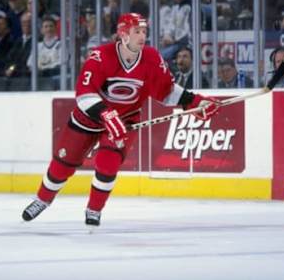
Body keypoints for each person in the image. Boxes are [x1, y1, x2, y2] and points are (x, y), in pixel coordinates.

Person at [21, 13, 221, 227]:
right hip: (89, 117)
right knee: (63, 165)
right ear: (123, 34)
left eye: (144, 31)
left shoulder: (152, 58)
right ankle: (42, 199)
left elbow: (166, 91)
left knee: (108, 165)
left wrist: (193, 102)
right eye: (137, 31)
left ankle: (94, 210)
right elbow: (84, 92)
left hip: (124, 120)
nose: (142, 36)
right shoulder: (100, 56)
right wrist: (106, 114)